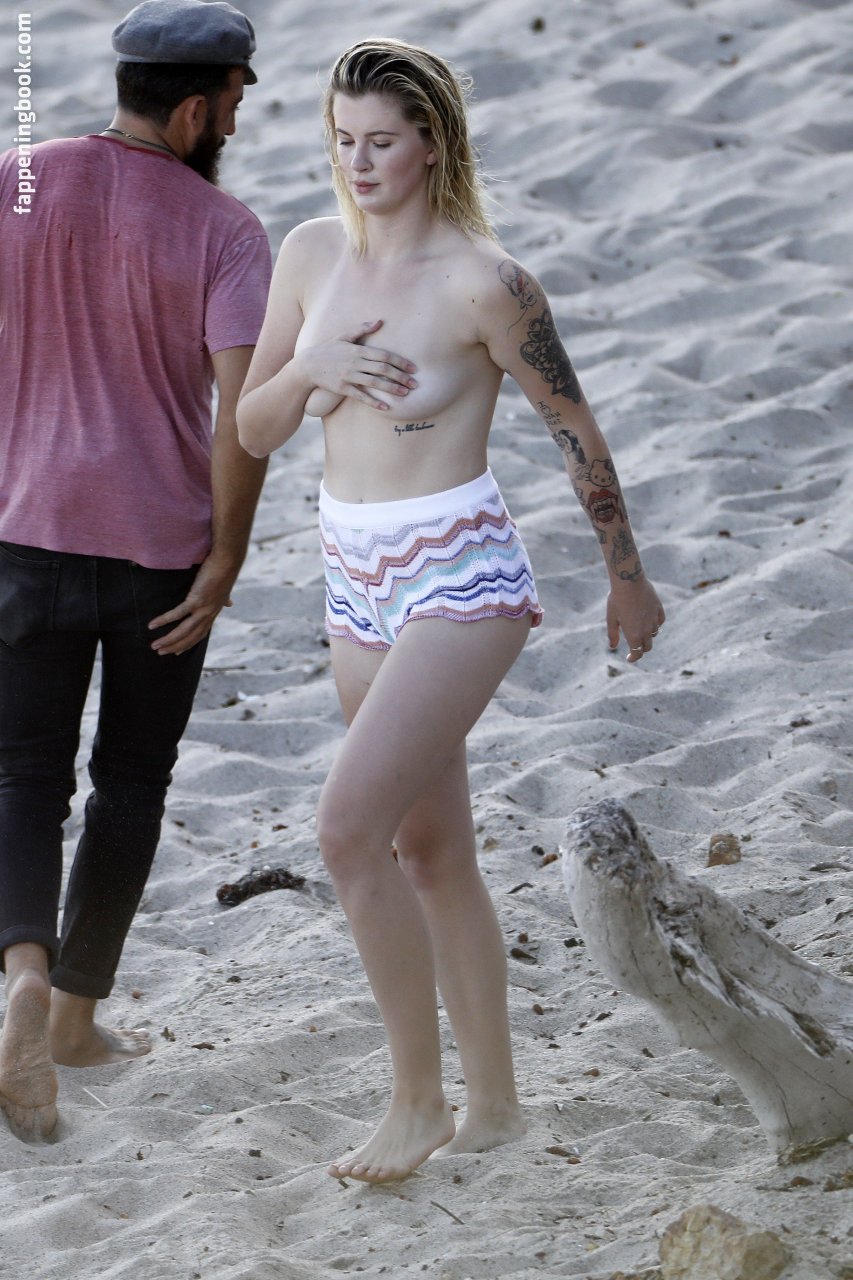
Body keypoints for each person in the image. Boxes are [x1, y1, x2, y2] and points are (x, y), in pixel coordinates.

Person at [237, 37, 664, 1183]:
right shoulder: (310, 254)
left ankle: (416, 1099)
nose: (357, 162)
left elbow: (574, 427)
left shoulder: (487, 282)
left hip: (458, 575)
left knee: (347, 829)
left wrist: (625, 571)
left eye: (380, 142)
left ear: (430, 143)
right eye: (342, 140)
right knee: (430, 848)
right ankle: (499, 1106)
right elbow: (253, 428)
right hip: (352, 575)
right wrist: (313, 366)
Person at [0, 0, 270, 1141]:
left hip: (27, 528)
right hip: (162, 553)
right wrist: (227, 555)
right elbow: (243, 417)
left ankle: (21, 972)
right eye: (236, 105)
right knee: (131, 781)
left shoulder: (17, 181)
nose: (235, 126)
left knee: (21, 775)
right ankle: (71, 1017)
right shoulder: (226, 230)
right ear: (197, 109)